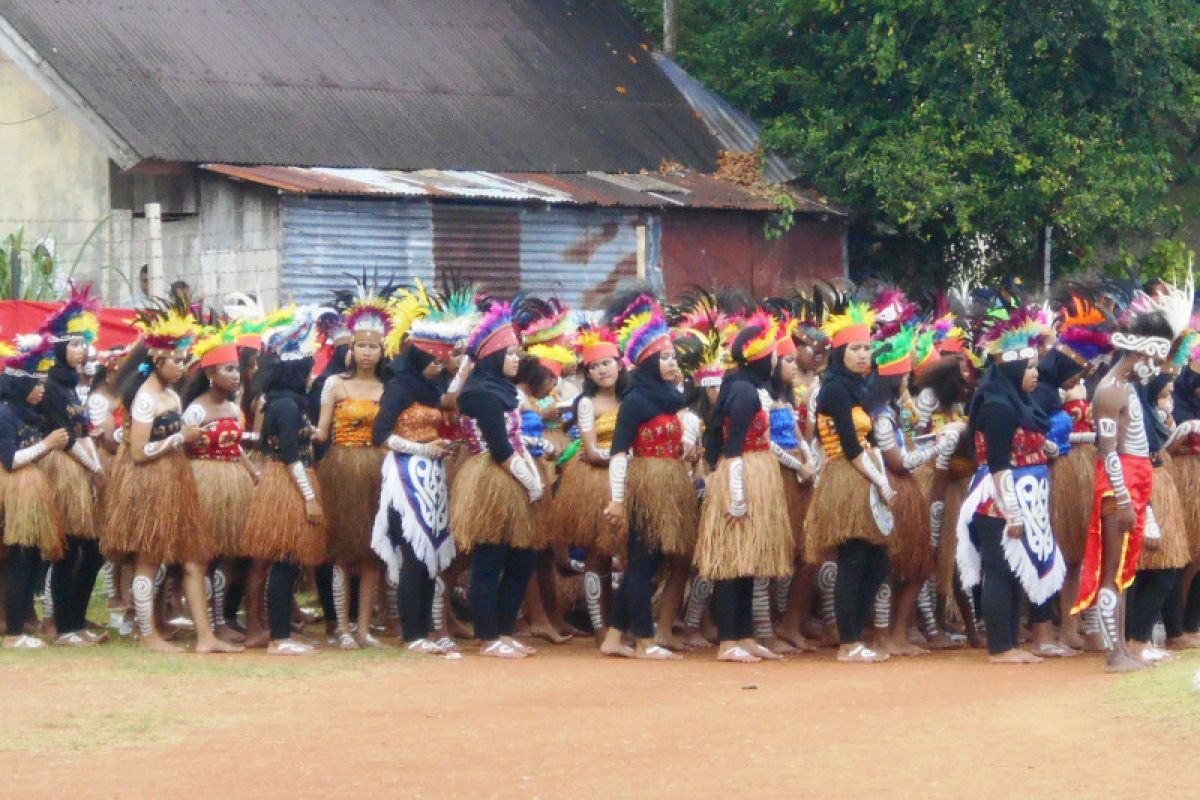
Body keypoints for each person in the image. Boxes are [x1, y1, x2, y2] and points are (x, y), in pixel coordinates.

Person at [101, 303, 240, 653]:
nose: (181, 366)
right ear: (157, 358)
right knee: (148, 558)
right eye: (176, 360)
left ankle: (206, 636)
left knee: (192, 559)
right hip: (149, 481)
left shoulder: (173, 395)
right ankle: (148, 634)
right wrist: (180, 438)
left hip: (173, 479)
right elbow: (136, 452)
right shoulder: (146, 398)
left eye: (183, 359)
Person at [1072, 301, 1180, 671]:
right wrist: (1122, 498)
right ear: (1142, 352)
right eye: (1157, 359)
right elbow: (1108, 451)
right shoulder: (1111, 390)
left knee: (1123, 573)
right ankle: (1114, 653)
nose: (1159, 370)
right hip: (1118, 487)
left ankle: (1122, 649)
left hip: (1133, 483)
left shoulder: (1129, 387)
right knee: (1112, 572)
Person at [958, 308, 1062, 665]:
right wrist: (1013, 513)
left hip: (1022, 495)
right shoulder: (998, 406)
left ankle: (1010, 640)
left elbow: (1024, 443)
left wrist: (1043, 448)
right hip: (999, 500)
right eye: (1031, 367)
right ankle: (1001, 647)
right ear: (1014, 369)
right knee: (1000, 569)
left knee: (1016, 569)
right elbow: (999, 463)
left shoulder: (1018, 403)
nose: (1036, 374)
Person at [602, 295, 700, 660]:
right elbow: (618, 452)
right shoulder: (636, 400)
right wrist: (616, 499)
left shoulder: (671, 398)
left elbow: (687, 425)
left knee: (651, 562)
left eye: (673, 356)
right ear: (646, 362)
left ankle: (614, 637)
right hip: (645, 486)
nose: (673, 362)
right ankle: (643, 639)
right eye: (665, 356)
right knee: (642, 562)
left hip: (670, 484)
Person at [371, 298, 469, 657]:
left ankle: (425, 628)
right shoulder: (399, 387)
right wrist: (423, 449)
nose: (436, 368)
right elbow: (380, 435)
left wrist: (468, 361)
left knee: (431, 553)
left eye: (441, 362)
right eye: (433, 361)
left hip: (434, 473)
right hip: (405, 472)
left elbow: (451, 398)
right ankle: (413, 633)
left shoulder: (428, 390)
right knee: (415, 552)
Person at [696, 315, 794, 663]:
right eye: (773, 356)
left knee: (747, 562)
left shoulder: (745, 387)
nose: (776, 361)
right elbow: (733, 446)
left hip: (753, 472)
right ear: (761, 359)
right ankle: (727, 641)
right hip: (740, 476)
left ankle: (746, 635)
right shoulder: (742, 391)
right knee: (732, 564)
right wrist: (737, 497)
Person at [450, 301, 544, 658]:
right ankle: (487, 635)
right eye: (511, 353)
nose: (517, 359)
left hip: (514, 474)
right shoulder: (482, 394)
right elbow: (501, 448)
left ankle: (504, 629)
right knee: (490, 558)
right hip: (494, 476)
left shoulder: (505, 391)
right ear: (492, 356)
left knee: (522, 559)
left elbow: (516, 438)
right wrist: (532, 484)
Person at [804, 302, 896, 663]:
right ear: (840, 353)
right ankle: (848, 643)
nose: (863, 356)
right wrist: (882, 483)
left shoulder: (858, 388)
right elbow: (850, 445)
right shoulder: (834, 391)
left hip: (865, 476)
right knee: (854, 558)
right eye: (855, 349)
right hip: (848, 475)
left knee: (877, 561)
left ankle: (857, 634)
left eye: (866, 348)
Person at [241, 307, 327, 656]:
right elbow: (291, 455)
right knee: (285, 561)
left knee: (286, 562)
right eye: (307, 370)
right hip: (290, 484)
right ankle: (280, 637)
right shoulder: (288, 408)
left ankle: (280, 634)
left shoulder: (281, 403)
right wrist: (308, 497)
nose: (310, 377)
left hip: (285, 481)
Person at [314, 294, 391, 649]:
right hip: (341, 467)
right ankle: (341, 627)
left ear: (381, 351)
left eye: (372, 347)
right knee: (342, 550)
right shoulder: (335, 385)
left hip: (377, 468)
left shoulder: (386, 389)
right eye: (360, 345)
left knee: (372, 553)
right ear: (351, 348)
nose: (365, 353)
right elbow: (321, 431)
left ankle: (363, 628)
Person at [544, 325, 626, 642]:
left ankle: (623, 623)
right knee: (598, 555)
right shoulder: (587, 404)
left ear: (620, 364)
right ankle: (599, 626)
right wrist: (625, 458)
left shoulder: (631, 398)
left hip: (629, 480)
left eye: (606, 362)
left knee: (626, 555)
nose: (602, 370)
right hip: (596, 481)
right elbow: (590, 451)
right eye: (594, 366)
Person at [181, 321, 259, 645]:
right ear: (211, 373)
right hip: (203, 483)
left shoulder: (231, 406)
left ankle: (219, 622)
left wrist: (251, 470)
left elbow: (233, 443)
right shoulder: (197, 409)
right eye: (229, 369)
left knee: (227, 556)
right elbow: (182, 445)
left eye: (237, 369)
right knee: (203, 557)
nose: (236, 375)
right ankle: (205, 630)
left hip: (232, 483)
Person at [37, 284, 107, 646]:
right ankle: (64, 627)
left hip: (82, 471)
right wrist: (92, 468)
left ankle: (75, 622)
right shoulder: (49, 387)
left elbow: (85, 432)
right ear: (60, 347)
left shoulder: (74, 387)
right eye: (75, 344)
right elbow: (65, 435)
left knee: (93, 551)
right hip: (62, 473)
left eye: (84, 344)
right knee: (69, 549)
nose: (82, 351)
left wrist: (95, 465)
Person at [1, 336, 68, 650]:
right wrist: (47, 446)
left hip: (31, 490)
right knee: (17, 558)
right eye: (37, 383)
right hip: (13, 493)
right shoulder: (5, 414)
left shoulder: (26, 413)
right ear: (21, 385)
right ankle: (13, 632)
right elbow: (10, 460)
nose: (43, 389)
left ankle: (21, 624)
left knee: (28, 558)